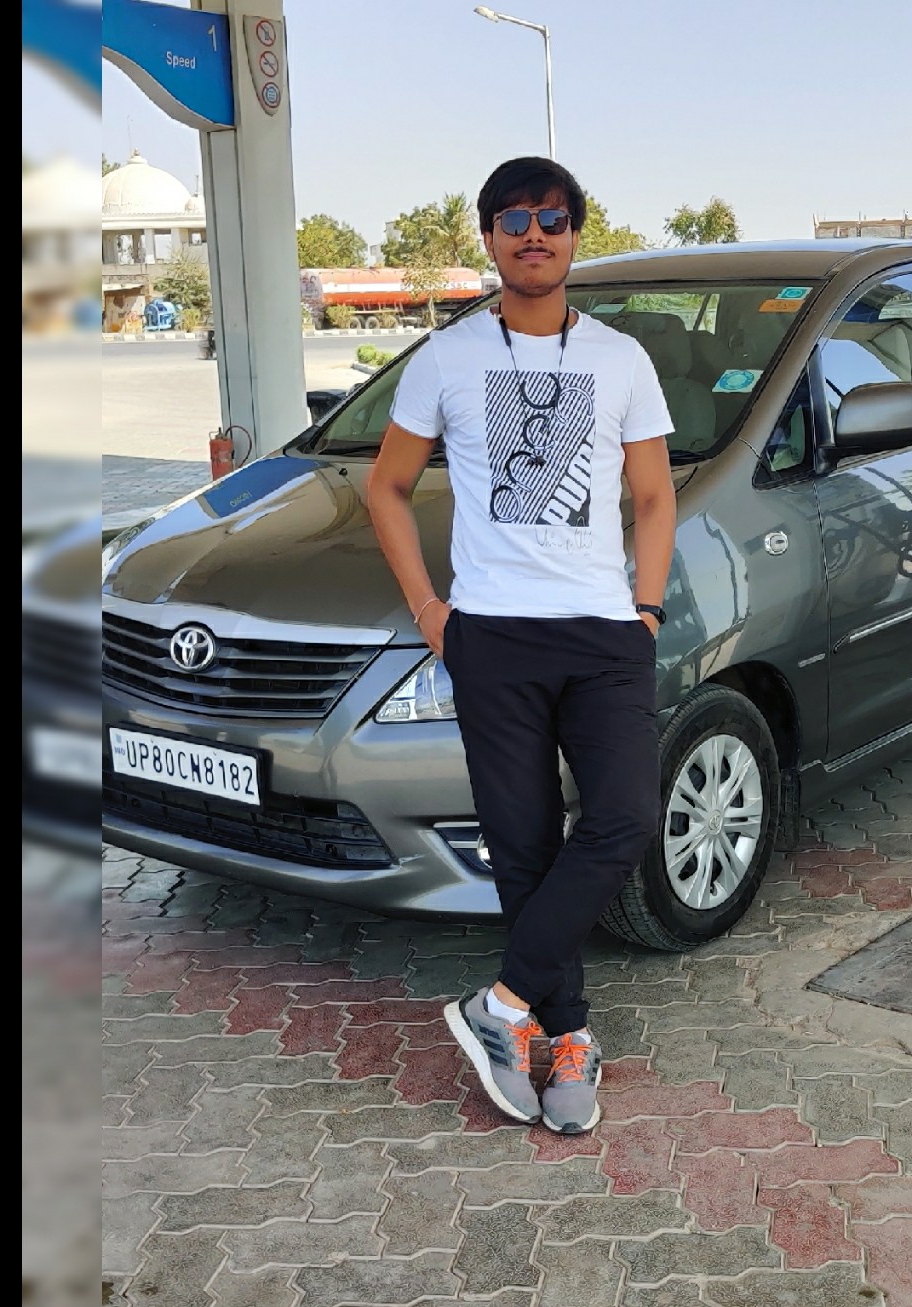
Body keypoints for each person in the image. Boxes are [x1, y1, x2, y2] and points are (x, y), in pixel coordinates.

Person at [367, 156, 676, 1135]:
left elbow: (653, 496)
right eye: (513, 219)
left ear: (575, 234)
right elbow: (384, 487)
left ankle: (497, 1004)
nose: (533, 234)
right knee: (524, 845)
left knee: (623, 817)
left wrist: (646, 609)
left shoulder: (621, 360)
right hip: (492, 635)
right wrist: (430, 611)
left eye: (551, 217)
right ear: (489, 237)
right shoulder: (446, 357)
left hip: (603, 632)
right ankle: (565, 1033)